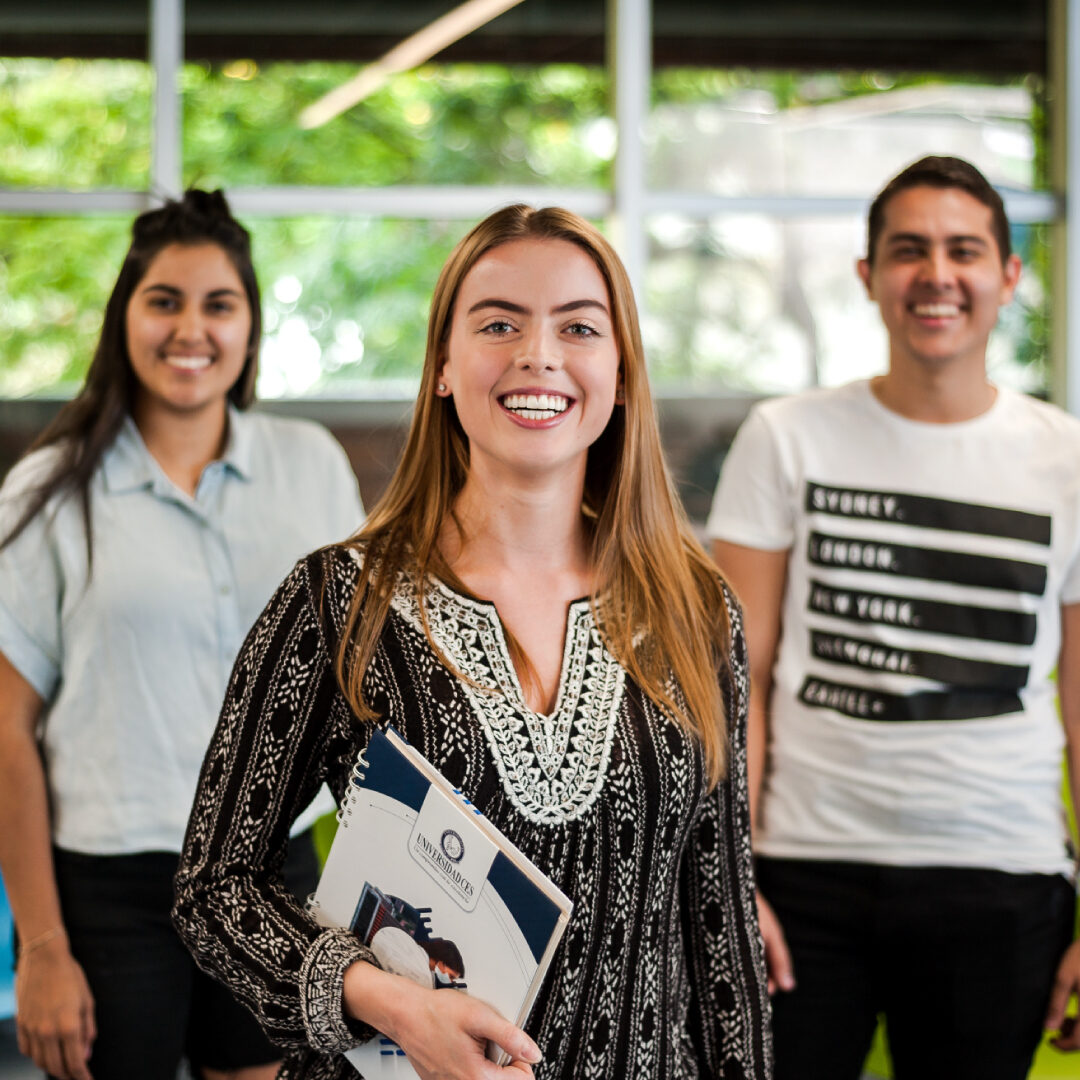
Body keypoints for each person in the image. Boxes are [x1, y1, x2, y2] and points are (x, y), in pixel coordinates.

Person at [172, 203, 773, 1079]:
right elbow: (214, 886)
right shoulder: (341, 599)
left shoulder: (694, 606)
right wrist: (392, 1003)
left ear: (619, 370)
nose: (539, 355)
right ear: (445, 367)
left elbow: (719, 923)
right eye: (499, 323)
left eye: (578, 326)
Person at [708, 155, 1080, 1080]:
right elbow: (732, 675)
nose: (937, 274)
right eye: (909, 250)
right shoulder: (787, 435)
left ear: (1008, 275)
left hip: (1003, 874)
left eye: (965, 250)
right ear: (870, 276)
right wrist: (729, 879)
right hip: (803, 872)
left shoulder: (1066, 459)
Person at [0, 190, 364, 1080]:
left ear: (249, 327)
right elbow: (4, 729)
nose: (188, 328)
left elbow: (362, 685)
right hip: (112, 882)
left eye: (218, 304)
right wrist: (40, 947)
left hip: (275, 872)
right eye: (163, 300)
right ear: (124, 314)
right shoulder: (50, 491)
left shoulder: (309, 464)